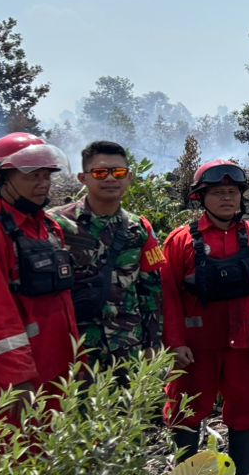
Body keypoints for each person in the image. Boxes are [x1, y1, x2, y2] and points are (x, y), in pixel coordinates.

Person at [161, 160, 249, 475]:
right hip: (196, 348)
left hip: (245, 346)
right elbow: (168, 296)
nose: (227, 198)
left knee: (247, 409)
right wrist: (175, 343)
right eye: (217, 193)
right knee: (186, 410)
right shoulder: (180, 240)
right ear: (201, 197)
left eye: (232, 192)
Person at [0, 133, 78, 434]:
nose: (43, 183)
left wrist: (78, 363)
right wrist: (20, 380)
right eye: (32, 175)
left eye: (46, 175)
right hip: (13, 381)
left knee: (58, 454)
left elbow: (63, 303)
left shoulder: (49, 227)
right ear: (1, 179)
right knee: (16, 455)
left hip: (57, 369)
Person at [50, 140, 164, 371]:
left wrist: (154, 343)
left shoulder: (139, 228)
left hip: (128, 348)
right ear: (83, 178)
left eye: (118, 172)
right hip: (75, 350)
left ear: (129, 177)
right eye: (100, 173)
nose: (110, 178)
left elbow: (151, 291)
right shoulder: (56, 225)